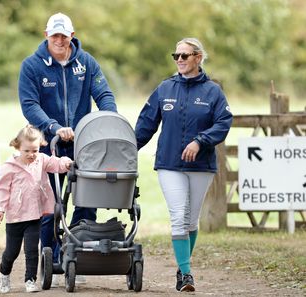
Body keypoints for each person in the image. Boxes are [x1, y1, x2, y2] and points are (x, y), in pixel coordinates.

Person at [18, 12, 117, 285]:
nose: (60, 40)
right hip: (48, 145)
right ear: (46, 35)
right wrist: (52, 126)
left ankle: (78, 255)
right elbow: (29, 104)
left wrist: (110, 120)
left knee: (86, 200)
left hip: (84, 145)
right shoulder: (32, 66)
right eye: (55, 36)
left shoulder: (86, 63)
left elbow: (104, 94)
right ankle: (51, 258)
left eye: (64, 35)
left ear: (72, 35)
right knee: (52, 205)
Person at [135, 37, 232, 292]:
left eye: (184, 56)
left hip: (201, 166)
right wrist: (126, 149)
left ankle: (182, 266)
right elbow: (145, 125)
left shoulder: (213, 91)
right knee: (178, 216)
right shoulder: (165, 88)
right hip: (169, 164)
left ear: (198, 58)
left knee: (191, 221)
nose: (179, 59)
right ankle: (186, 275)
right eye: (176, 55)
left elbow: (223, 123)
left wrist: (201, 141)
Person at [0, 125, 72, 293]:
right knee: (11, 252)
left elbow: (55, 163)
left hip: (34, 214)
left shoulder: (41, 160)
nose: (31, 155)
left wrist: (66, 162)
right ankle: (4, 274)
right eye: (27, 151)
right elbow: (1, 189)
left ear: (40, 146)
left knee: (32, 250)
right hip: (15, 217)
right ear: (18, 147)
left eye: (35, 150)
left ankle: (30, 280)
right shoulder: (10, 167)